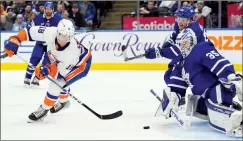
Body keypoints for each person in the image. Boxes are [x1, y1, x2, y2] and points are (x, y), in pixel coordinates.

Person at [144, 6, 243, 137]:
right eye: (181, 44)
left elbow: (218, 62)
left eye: (185, 43)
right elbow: (177, 76)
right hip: (203, 96)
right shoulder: (183, 61)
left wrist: (231, 77)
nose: (183, 46)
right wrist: (174, 96)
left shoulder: (200, 48)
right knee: (205, 113)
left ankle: (235, 120)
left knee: (220, 120)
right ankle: (220, 107)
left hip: (217, 90)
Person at [4, 19, 92, 123]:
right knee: (61, 82)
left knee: (58, 83)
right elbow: (29, 31)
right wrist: (16, 39)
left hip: (81, 66)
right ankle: (64, 102)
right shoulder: (50, 32)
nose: (65, 40)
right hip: (57, 58)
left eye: (68, 37)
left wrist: (45, 70)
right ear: (57, 32)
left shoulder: (71, 53)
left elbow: (58, 73)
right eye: (63, 36)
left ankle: (44, 109)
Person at [24, 2, 62, 87]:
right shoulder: (38, 18)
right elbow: (30, 29)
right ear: (44, 9)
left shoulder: (58, 19)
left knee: (46, 63)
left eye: (50, 9)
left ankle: (37, 78)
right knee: (34, 59)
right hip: (40, 43)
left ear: (53, 10)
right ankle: (27, 77)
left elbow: (61, 32)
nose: (48, 11)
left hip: (51, 46)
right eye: (47, 9)